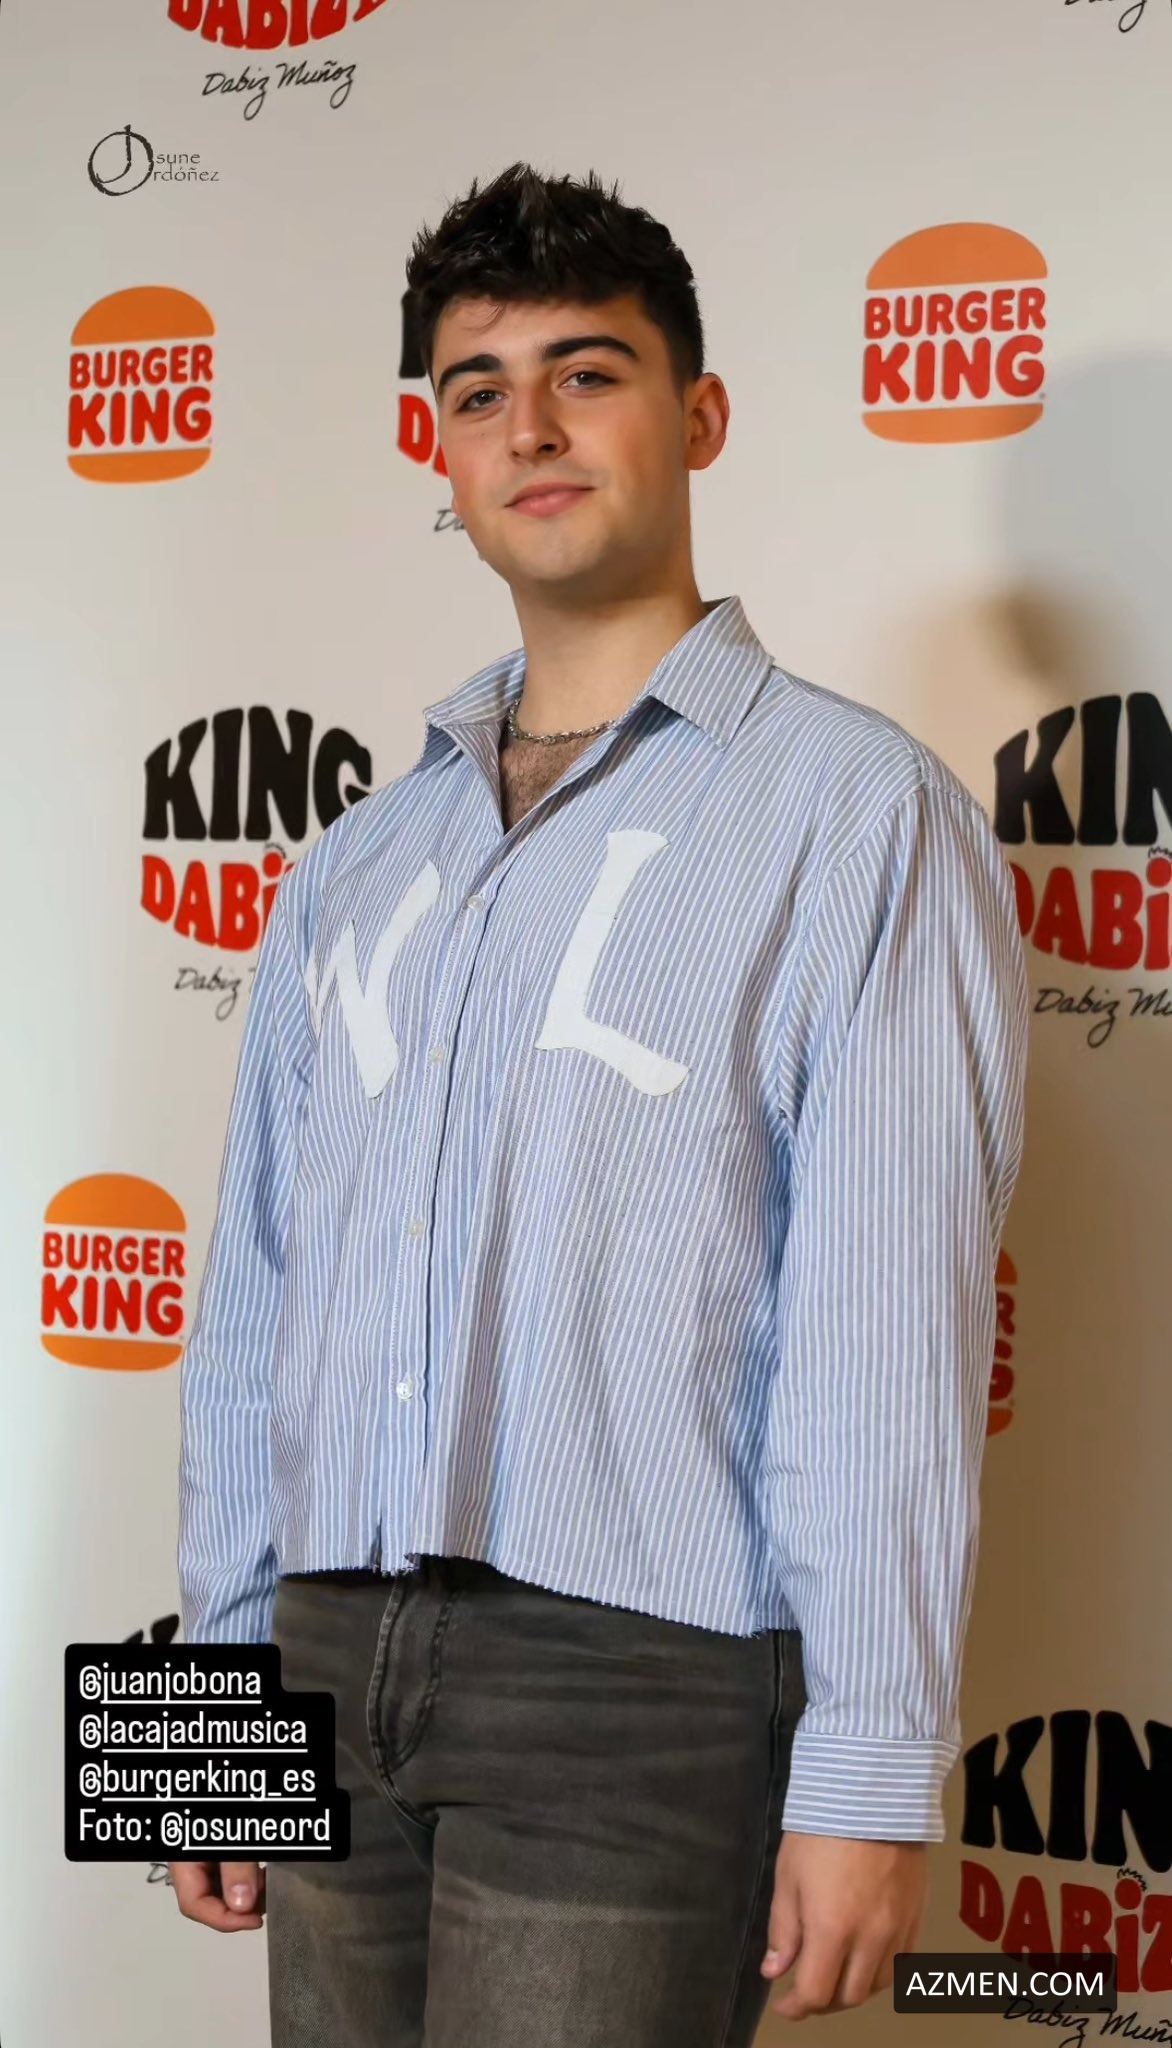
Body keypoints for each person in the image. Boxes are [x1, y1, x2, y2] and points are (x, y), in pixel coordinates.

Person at [171, 161, 1030, 2046]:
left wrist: (869, 1774)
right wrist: (213, 1702)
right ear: (438, 448)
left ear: (699, 414)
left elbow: (884, 1331)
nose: (532, 428)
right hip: (315, 1651)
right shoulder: (355, 858)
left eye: (588, 372)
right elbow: (254, 1299)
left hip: (636, 1684)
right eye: (479, 390)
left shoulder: (861, 815)